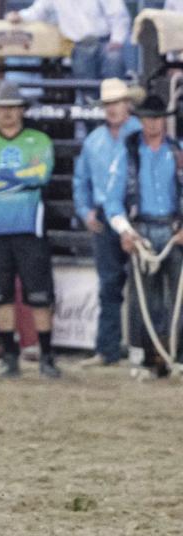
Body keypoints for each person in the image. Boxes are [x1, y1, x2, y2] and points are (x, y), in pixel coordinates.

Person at [0, 81, 59, 379]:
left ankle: (46, 355)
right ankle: (10, 355)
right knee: (0, 295)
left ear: (22, 110)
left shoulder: (39, 140)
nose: (7, 113)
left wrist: (2, 177)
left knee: (39, 294)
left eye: (12, 107)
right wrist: (22, 177)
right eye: (2, 108)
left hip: (29, 227)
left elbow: (42, 175)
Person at [103, 94, 183, 379]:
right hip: (143, 230)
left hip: (173, 230)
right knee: (144, 299)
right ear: (141, 120)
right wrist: (126, 230)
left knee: (178, 297)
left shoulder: (177, 152)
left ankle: (175, 356)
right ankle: (144, 358)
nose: (154, 123)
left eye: (158, 118)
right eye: (149, 118)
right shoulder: (128, 154)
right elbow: (112, 200)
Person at [73, 79, 141, 368]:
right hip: (105, 214)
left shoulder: (139, 132)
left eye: (116, 103)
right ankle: (109, 348)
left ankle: (142, 347)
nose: (112, 109)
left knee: (143, 284)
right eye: (109, 104)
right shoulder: (94, 141)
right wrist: (85, 210)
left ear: (127, 104)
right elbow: (81, 180)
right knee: (110, 284)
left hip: (137, 211)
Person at [6, 0, 128, 86]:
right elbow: (38, 11)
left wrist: (117, 39)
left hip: (105, 43)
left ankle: (119, 109)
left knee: (114, 61)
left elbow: (118, 14)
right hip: (80, 47)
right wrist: (20, 16)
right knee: (88, 90)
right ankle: (93, 118)